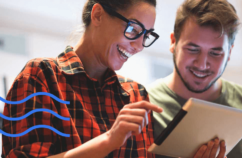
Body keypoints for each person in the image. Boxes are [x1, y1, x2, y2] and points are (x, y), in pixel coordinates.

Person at [1, 0, 164, 157]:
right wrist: (108, 140)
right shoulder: (42, 76)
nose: (139, 46)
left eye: (146, 37)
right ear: (98, 15)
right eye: (133, 30)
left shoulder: (136, 95)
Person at [147, 0, 242, 158]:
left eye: (215, 53)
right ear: (173, 42)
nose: (202, 64)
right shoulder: (145, 103)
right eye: (192, 49)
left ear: (229, 53)